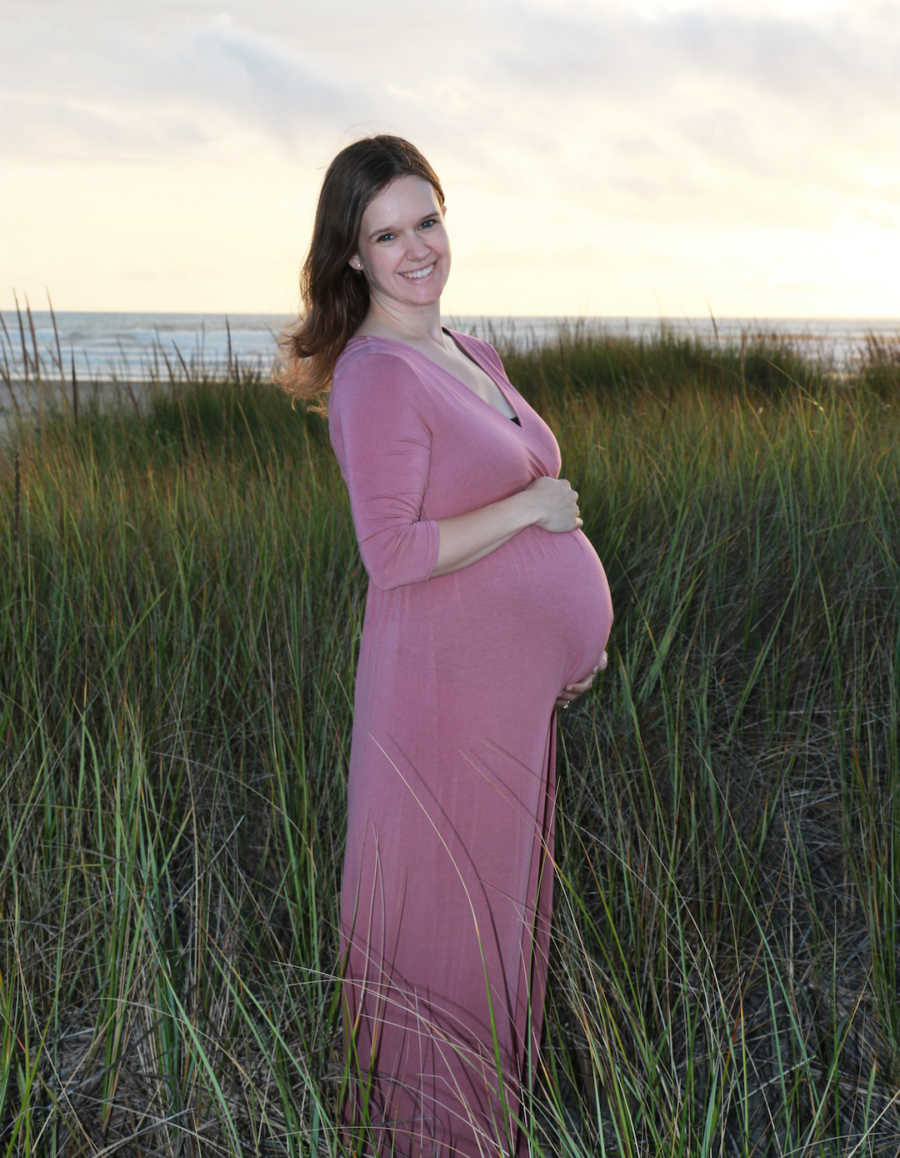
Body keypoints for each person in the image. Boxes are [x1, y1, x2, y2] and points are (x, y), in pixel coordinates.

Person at [277, 135, 613, 1158]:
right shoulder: (376, 376)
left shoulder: (470, 354)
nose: (417, 247)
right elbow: (393, 554)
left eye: (428, 220)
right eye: (388, 234)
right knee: (444, 932)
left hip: (499, 702)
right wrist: (529, 513)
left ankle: (479, 1133)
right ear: (352, 256)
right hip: (438, 705)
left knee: (493, 924)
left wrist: (561, 640)